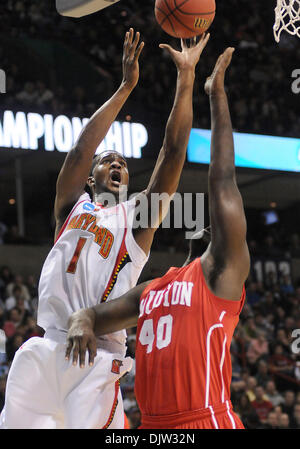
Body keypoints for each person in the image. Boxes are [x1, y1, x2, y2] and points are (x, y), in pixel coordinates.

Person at [0, 29, 210, 429]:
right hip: (44, 350)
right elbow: (80, 149)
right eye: (108, 161)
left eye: (123, 163)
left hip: (95, 355)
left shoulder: (136, 217)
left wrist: (186, 78)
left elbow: (173, 151)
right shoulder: (71, 207)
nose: (117, 165)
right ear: (91, 178)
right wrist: (125, 88)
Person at [65, 47, 250, 429]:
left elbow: (223, 181)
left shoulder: (219, 274)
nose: (213, 221)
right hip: (152, 425)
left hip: (204, 421)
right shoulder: (150, 290)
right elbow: (92, 316)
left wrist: (216, 94)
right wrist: (81, 321)